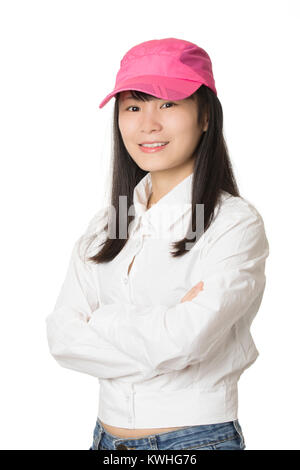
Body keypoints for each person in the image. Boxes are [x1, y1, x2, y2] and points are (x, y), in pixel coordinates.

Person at [46, 37, 269, 451]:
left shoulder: (233, 224)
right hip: (105, 439)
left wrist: (100, 322)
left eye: (167, 104)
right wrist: (163, 331)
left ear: (205, 117)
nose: (148, 123)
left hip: (197, 441)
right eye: (133, 107)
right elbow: (62, 337)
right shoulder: (106, 225)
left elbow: (188, 340)